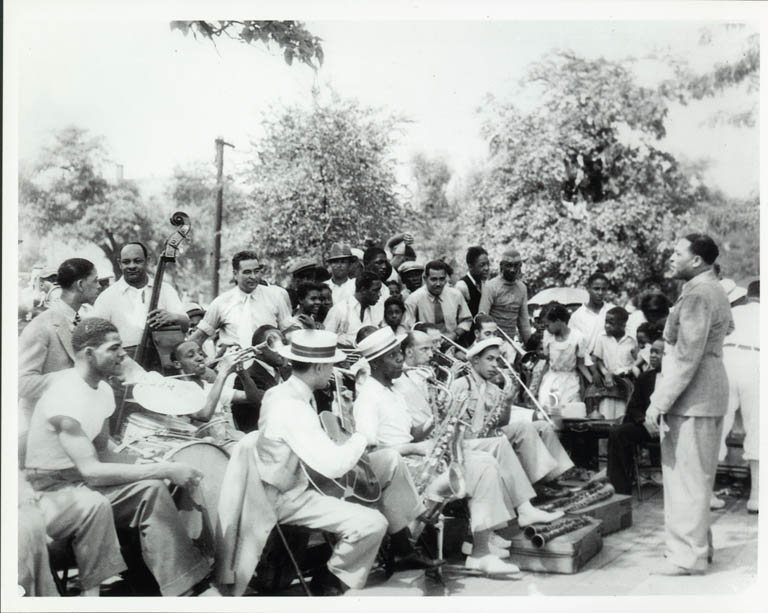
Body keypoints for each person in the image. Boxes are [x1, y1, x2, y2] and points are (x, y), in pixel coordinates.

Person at [24, 318, 215, 596]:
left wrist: (147, 462)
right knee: (152, 482)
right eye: (114, 348)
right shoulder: (64, 393)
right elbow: (91, 470)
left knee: (152, 489)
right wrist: (164, 468)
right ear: (89, 353)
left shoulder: (101, 389)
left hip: (80, 481)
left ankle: (183, 585)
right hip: (51, 490)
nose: (123, 354)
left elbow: (103, 451)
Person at [353, 328, 531, 575]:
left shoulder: (392, 391)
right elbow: (369, 450)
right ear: (375, 362)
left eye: (399, 354)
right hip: (401, 470)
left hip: (417, 457)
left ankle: (481, 551)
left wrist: (435, 420)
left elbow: (409, 433)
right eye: (393, 356)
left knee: (485, 461)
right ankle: (480, 551)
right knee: (482, 466)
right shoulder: (368, 397)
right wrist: (415, 447)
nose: (400, 360)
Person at [254, 330, 412, 595]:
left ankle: (404, 546)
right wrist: (362, 434)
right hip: (287, 495)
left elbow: (321, 448)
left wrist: (347, 416)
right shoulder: (290, 405)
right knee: (372, 523)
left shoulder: (290, 393)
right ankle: (330, 581)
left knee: (387, 461)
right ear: (318, 366)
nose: (334, 371)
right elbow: (335, 466)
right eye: (331, 365)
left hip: (302, 479)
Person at [644, 233, 734, 576]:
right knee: (698, 478)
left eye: (677, 252)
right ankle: (699, 549)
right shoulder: (714, 289)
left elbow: (686, 356)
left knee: (686, 480)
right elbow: (723, 332)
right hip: (706, 393)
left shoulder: (698, 293)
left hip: (693, 398)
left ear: (696, 260)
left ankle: (687, 557)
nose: (671, 256)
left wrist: (658, 401)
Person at [452, 338, 575, 493]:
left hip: (490, 435)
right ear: (475, 360)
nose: (495, 365)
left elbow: (501, 423)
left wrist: (508, 401)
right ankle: (538, 483)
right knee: (523, 428)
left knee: (542, 426)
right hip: (469, 440)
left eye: (497, 360)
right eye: (489, 359)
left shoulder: (494, 388)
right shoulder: (461, 385)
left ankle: (553, 476)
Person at [19, 259, 102, 437]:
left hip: (74, 424)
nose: (99, 286)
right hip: (40, 430)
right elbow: (22, 384)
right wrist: (76, 376)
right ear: (80, 284)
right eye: (95, 280)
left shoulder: (84, 320)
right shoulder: (40, 326)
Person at [94, 242, 189, 358]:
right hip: (124, 362)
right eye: (126, 262)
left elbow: (186, 325)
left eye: (137, 261)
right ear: (119, 264)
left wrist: (174, 317)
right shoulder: (106, 298)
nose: (132, 266)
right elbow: (97, 339)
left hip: (162, 361)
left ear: (147, 261)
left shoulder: (165, 290)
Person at [189, 251, 293, 351]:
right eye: (247, 272)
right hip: (234, 363)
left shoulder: (275, 297)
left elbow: (289, 332)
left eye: (256, 271)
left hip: (268, 363)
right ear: (235, 274)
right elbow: (198, 338)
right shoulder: (220, 303)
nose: (253, 276)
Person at [719, 279, 759, 513]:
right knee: (758, 429)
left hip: (727, 360)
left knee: (716, 427)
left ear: (748, 296)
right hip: (755, 362)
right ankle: (756, 498)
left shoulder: (734, 311)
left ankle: (705, 495)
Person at [606, 338, 665, 495]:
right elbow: (633, 407)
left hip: (672, 427)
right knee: (617, 432)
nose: (653, 355)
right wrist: (644, 421)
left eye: (658, 352)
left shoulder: (678, 378)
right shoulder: (646, 378)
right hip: (648, 427)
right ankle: (620, 490)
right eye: (652, 351)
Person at [230, 325, 290, 432]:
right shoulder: (247, 378)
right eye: (273, 343)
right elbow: (250, 421)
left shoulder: (286, 371)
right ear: (259, 349)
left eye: (283, 343)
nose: (281, 348)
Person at [587, 306, 637, 420]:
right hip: (608, 384)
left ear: (622, 324)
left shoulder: (632, 339)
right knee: (606, 415)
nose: (607, 325)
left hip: (626, 383)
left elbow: (636, 360)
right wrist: (606, 373)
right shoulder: (602, 337)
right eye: (606, 322)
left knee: (622, 416)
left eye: (611, 323)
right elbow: (598, 359)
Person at [404, 260, 472, 343]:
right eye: (434, 279)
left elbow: (467, 320)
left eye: (442, 279)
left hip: (453, 344)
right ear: (425, 279)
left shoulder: (456, 295)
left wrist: (455, 334)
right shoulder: (413, 299)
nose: (438, 284)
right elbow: (408, 328)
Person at [537, 302, 587, 409]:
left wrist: (592, 381)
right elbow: (546, 364)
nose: (546, 329)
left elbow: (580, 365)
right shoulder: (548, 336)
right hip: (552, 381)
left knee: (569, 412)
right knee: (552, 412)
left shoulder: (577, 337)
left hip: (570, 381)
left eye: (548, 325)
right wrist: (536, 388)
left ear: (559, 321)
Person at [478, 248, 532, 344]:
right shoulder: (491, 286)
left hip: (510, 343)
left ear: (520, 266)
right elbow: (482, 318)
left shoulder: (522, 288)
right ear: (501, 266)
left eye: (516, 266)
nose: (512, 270)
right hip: (491, 341)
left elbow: (524, 323)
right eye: (508, 265)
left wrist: (530, 346)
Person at [323, 271, 384, 346]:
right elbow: (325, 340)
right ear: (363, 290)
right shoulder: (339, 309)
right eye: (375, 290)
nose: (380, 294)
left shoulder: (376, 309)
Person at [569, 271, 615, 354]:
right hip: (585, 363)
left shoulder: (613, 311)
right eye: (596, 289)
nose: (600, 293)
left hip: (610, 363)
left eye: (604, 289)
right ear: (588, 288)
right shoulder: (577, 316)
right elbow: (572, 345)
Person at [456, 246, 490, 317]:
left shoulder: (484, 283)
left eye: (488, 264)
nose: (486, 268)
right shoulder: (462, 286)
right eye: (482, 265)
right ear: (470, 266)